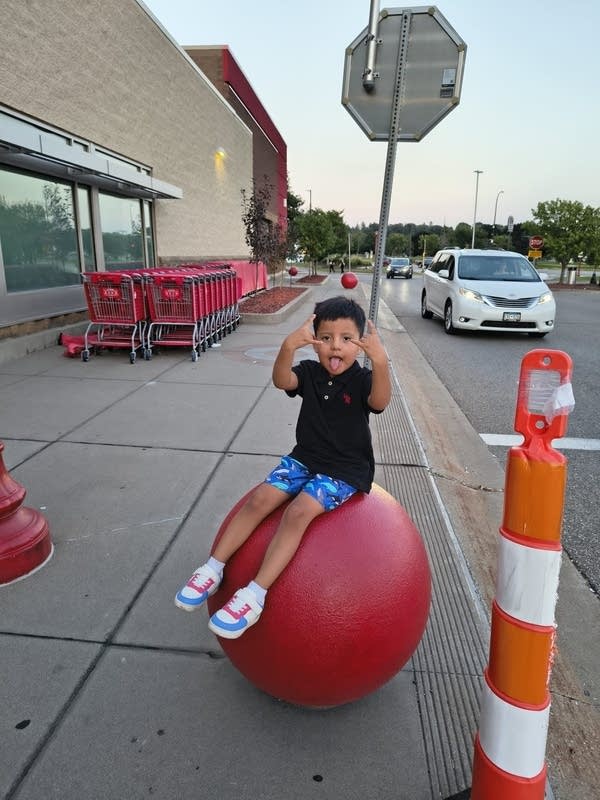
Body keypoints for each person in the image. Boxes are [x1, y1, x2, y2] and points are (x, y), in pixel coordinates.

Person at [174, 296, 392, 639]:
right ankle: (213, 567)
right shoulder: (309, 372)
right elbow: (282, 381)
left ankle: (254, 595)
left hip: (345, 470)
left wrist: (380, 363)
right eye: (326, 337)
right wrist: (288, 347)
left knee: (298, 512)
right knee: (260, 499)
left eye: (347, 339)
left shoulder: (363, 379)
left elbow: (379, 402)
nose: (336, 346)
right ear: (315, 339)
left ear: (360, 343)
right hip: (305, 457)